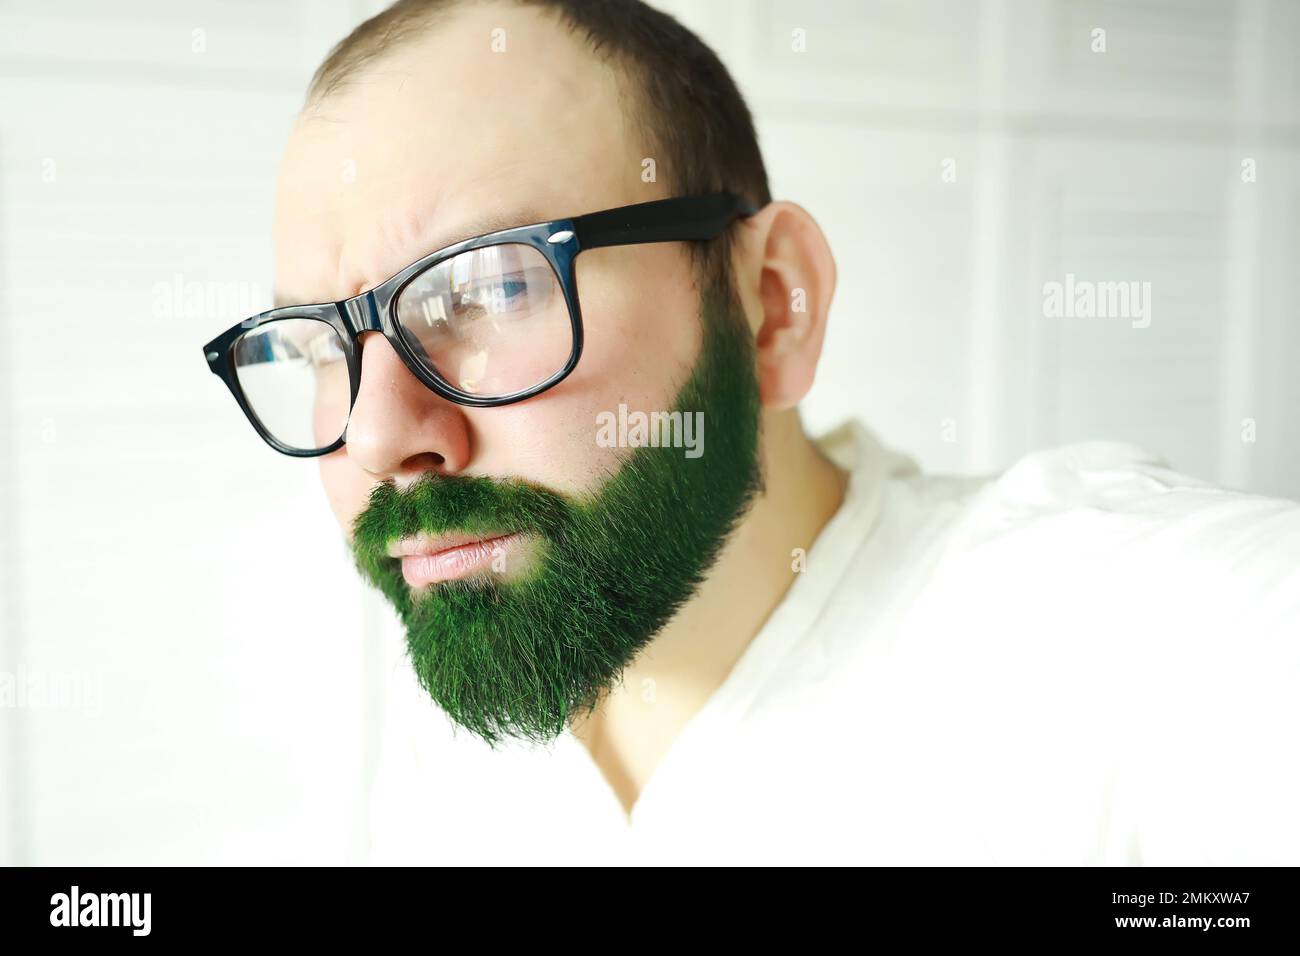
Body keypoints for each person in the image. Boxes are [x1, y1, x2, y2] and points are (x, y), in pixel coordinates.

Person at [199, 0, 1300, 864]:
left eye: (489, 286)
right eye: (320, 350)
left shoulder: (1128, 647)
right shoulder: (478, 685)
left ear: (771, 301)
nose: (381, 436)